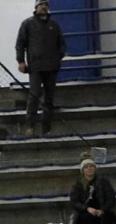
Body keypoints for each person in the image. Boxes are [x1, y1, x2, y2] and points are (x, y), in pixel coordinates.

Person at [16, 0, 66, 136]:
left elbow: (62, 44)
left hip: (51, 67)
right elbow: (20, 44)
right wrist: (21, 61)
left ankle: (46, 128)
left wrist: (58, 57)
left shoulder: (54, 25)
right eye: (41, 5)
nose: (44, 7)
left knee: (49, 99)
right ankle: (30, 126)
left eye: (46, 5)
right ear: (36, 7)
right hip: (36, 67)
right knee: (34, 95)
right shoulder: (27, 24)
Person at [69, 158, 116, 224]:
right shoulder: (78, 184)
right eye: (86, 167)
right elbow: (74, 201)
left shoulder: (103, 182)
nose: (89, 169)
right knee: (86, 222)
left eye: (91, 166)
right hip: (85, 212)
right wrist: (87, 208)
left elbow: (111, 198)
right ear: (83, 170)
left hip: (102, 211)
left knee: (104, 222)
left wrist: (102, 210)